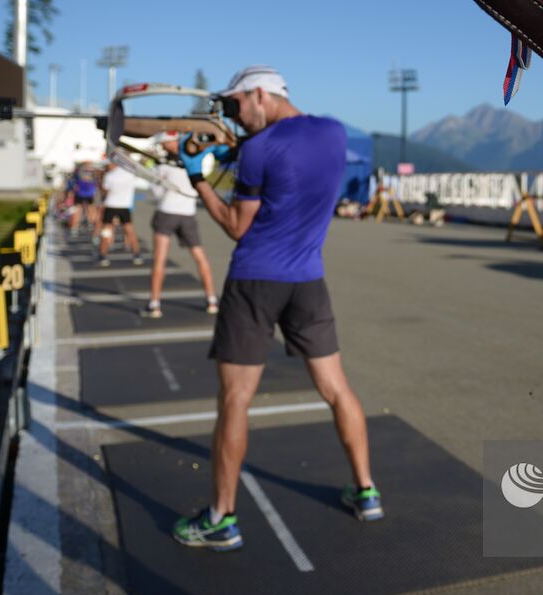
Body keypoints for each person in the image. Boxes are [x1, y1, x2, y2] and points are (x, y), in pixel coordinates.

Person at [171, 65, 381, 552]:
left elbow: (237, 226)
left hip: (255, 283)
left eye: (237, 106)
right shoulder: (332, 132)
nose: (236, 118)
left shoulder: (259, 149)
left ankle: (222, 518)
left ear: (259, 95)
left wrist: (195, 177)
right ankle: (366, 490)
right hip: (308, 281)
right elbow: (288, 157)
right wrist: (237, 150)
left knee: (235, 402)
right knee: (336, 388)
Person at [142, 133, 220, 318]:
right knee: (200, 257)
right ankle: (211, 300)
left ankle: (154, 304)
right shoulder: (195, 160)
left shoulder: (163, 165)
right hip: (188, 214)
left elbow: (156, 192)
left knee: (159, 259)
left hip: (167, 212)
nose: (162, 146)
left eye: (164, 143)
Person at [97, 159, 143, 267]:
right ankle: (136, 254)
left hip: (111, 206)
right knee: (130, 232)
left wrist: (101, 180)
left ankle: (103, 254)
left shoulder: (109, 176)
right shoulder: (129, 173)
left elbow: (105, 192)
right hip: (124, 207)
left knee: (106, 232)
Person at [69, 161, 101, 235]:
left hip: (84, 193)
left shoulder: (79, 170)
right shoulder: (92, 171)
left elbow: (74, 183)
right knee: (85, 210)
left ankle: (77, 227)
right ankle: (86, 225)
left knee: (83, 210)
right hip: (86, 193)